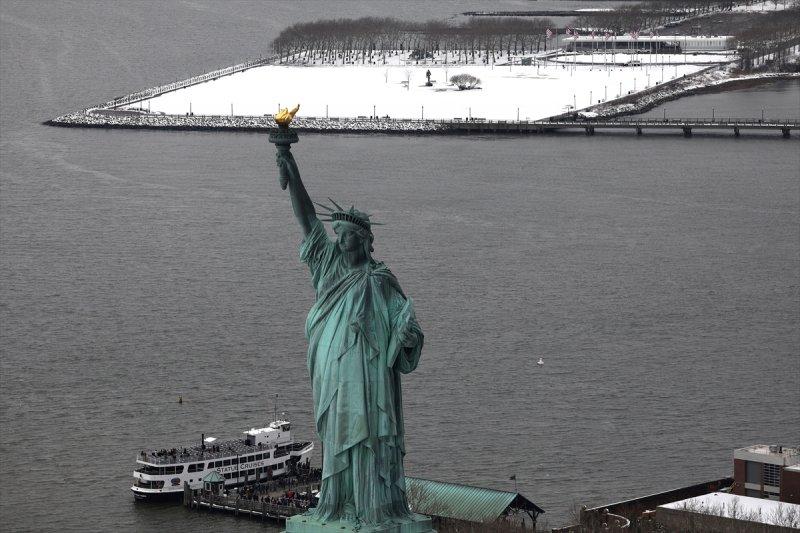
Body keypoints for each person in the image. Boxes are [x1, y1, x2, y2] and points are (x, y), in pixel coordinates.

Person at [275, 150, 424, 527]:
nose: (339, 241)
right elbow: (308, 221)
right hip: (333, 367)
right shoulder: (328, 265)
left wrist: (408, 335)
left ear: (364, 240)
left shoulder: (381, 279)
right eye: (337, 235)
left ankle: (372, 506)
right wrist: (292, 172)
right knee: (339, 429)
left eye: (346, 236)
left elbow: (405, 324)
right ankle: (338, 502)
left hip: (370, 375)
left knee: (369, 433)